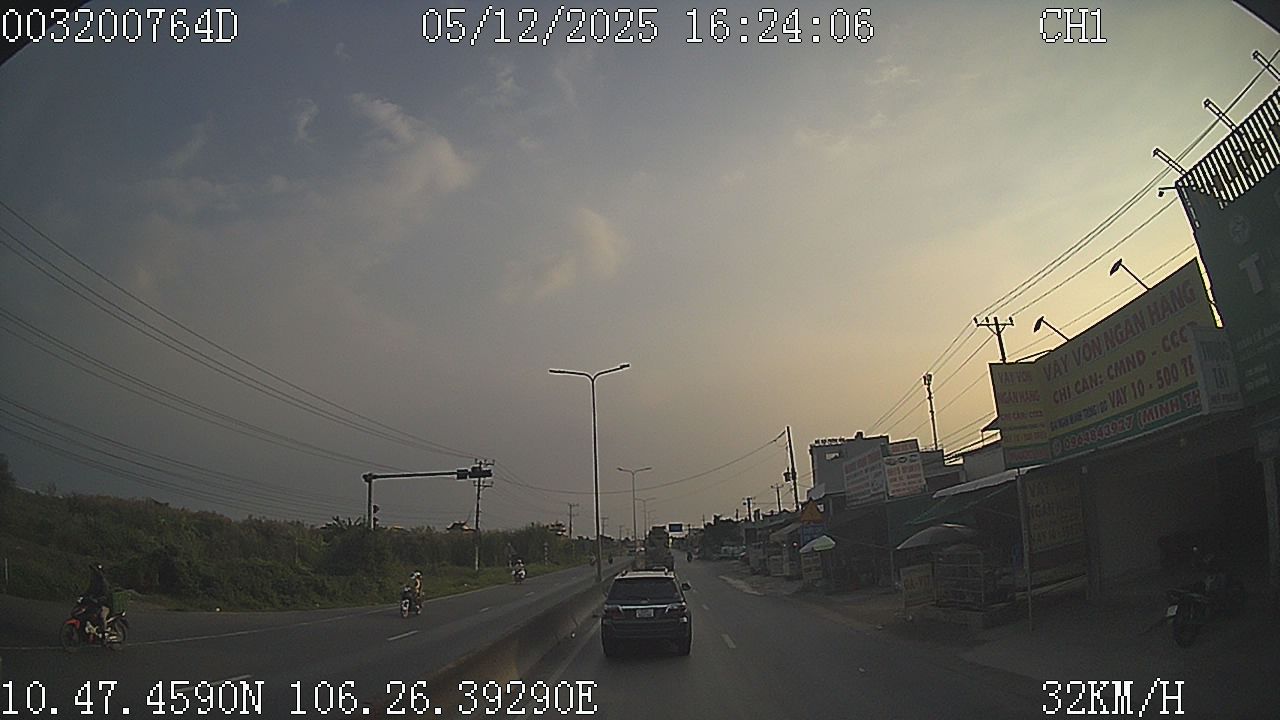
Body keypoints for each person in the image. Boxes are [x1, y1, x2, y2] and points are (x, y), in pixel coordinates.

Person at [83, 563, 111, 638]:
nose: (93, 573)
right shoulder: (94, 582)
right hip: (94, 603)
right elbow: (89, 591)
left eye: (94, 571)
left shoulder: (104, 583)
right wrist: (83, 596)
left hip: (104, 605)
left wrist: (98, 600)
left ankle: (104, 634)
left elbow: (105, 596)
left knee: (102, 616)